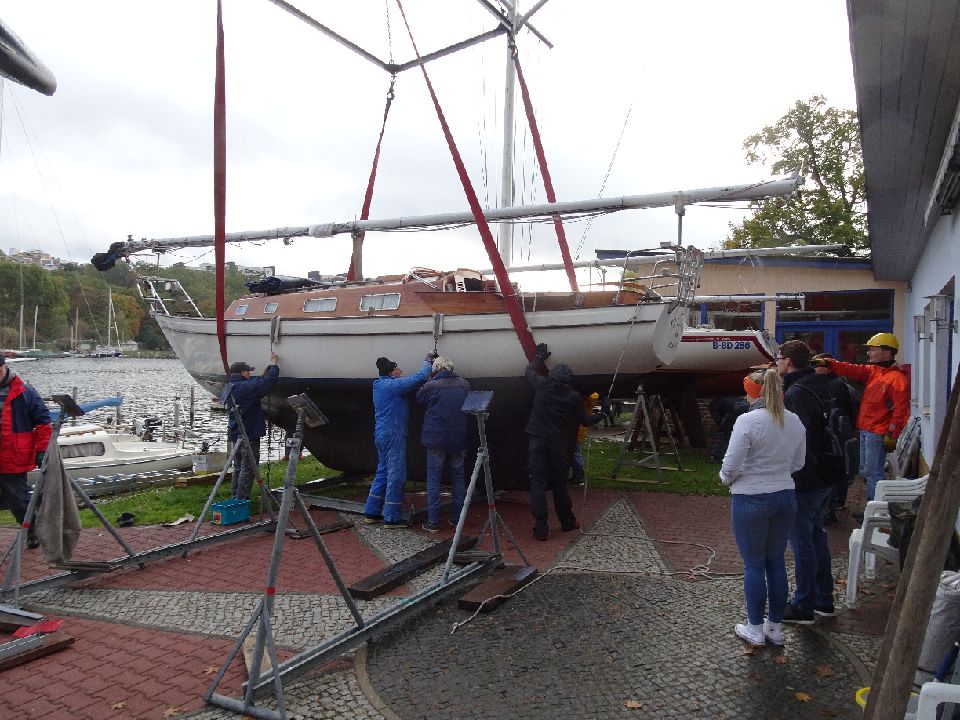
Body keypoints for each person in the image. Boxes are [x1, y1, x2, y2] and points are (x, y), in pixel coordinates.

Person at [721, 368, 805, 646]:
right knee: (776, 561)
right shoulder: (794, 420)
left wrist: (725, 478)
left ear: (753, 394)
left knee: (754, 564)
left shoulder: (747, 421)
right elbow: (798, 463)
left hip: (751, 496)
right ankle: (774, 628)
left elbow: (731, 463)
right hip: (785, 495)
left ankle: (755, 627)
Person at [776, 340, 841, 624]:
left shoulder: (796, 392)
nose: (777, 363)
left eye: (779, 359)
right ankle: (823, 601)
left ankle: (803, 605)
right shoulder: (825, 383)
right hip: (829, 471)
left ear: (788, 362)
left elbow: (796, 437)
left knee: (802, 540)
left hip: (806, 477)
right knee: (816, 536)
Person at [812, 333, 909, 502]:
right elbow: (851, 369)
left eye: (873, 350)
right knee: (865, 471)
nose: (869, 353)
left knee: (873, 472)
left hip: (877, 431)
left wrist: (892, 433)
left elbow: (901, 409)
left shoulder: (896, 378)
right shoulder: (874, 371)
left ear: (887, 352)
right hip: (867, 429)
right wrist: (829, 363)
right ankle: (874, 505)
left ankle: (877, 507)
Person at [525, 343, 604, 541]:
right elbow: (585, 420)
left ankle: (541, 527)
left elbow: (529, 372)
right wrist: (603, 413)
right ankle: (567, 521)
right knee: (559, 483)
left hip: (537, 439)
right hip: (556, 442)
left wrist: (539, 357)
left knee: (537, 483)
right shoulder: (572, 396)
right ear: (568, 379)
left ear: (552, 375)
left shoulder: (542, 385)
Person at [363, 352, 434, 527]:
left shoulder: (378, 385)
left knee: (382, 471)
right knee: (396, 474)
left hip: (381, 433)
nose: (400, 370)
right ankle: (392, 517)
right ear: (391, 372)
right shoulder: (393, 386)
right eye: (397, 368)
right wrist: (428, 361)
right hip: (394, 434)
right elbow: (419, 378)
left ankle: (371, 511)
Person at [0, 355, 52, 549]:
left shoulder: (25, 392)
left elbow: (44, 423)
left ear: (4, 368)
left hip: (13, 456)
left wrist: (42, 450)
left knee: (18, 500)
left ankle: (32, 529)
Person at [416, 356, 471, 532]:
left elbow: (419, 398)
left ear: (436, 370)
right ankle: (457, 519)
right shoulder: (464, 384)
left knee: (434, 480)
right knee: (458, 479)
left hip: (436, 439)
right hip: (458, 438)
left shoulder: (431, 386)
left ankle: (433, 522)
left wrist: (427, 380)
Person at [221, 352, 280, 501]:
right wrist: (274, 365)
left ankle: (235, 497)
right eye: (248, 371)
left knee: (238, 467)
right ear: (242, 373)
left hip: (236, 434)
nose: (250, 374)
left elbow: (253, 385)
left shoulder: (229, 387)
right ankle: (242, 500)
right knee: (248, 468)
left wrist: (261, 375)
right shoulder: (246, 387)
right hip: (249, 434)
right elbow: (269, 383)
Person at [811, 352, 857, 523]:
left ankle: (832, 506)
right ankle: (835, 504)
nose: (814, 369)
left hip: (835, 433)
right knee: (838, 467)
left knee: (834, 468)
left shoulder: (835, 384)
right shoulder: (840, 383)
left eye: (817, 365)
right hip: (838, 432)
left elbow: (838, 410)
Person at [707, 395, 750, 463]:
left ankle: (717, 456)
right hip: (746, 407)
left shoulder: (712, 405)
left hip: (734, 409)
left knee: (724, 434)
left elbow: (718, 420)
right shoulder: (731, 398)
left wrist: (724, 426)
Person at [570, 392, 599, 485]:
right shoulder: (591, 397)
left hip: (576, 430)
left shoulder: (584, 398)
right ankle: (577, 476)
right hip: (577, 430)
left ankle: (579, 477)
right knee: (574, 454)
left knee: (575, 454)